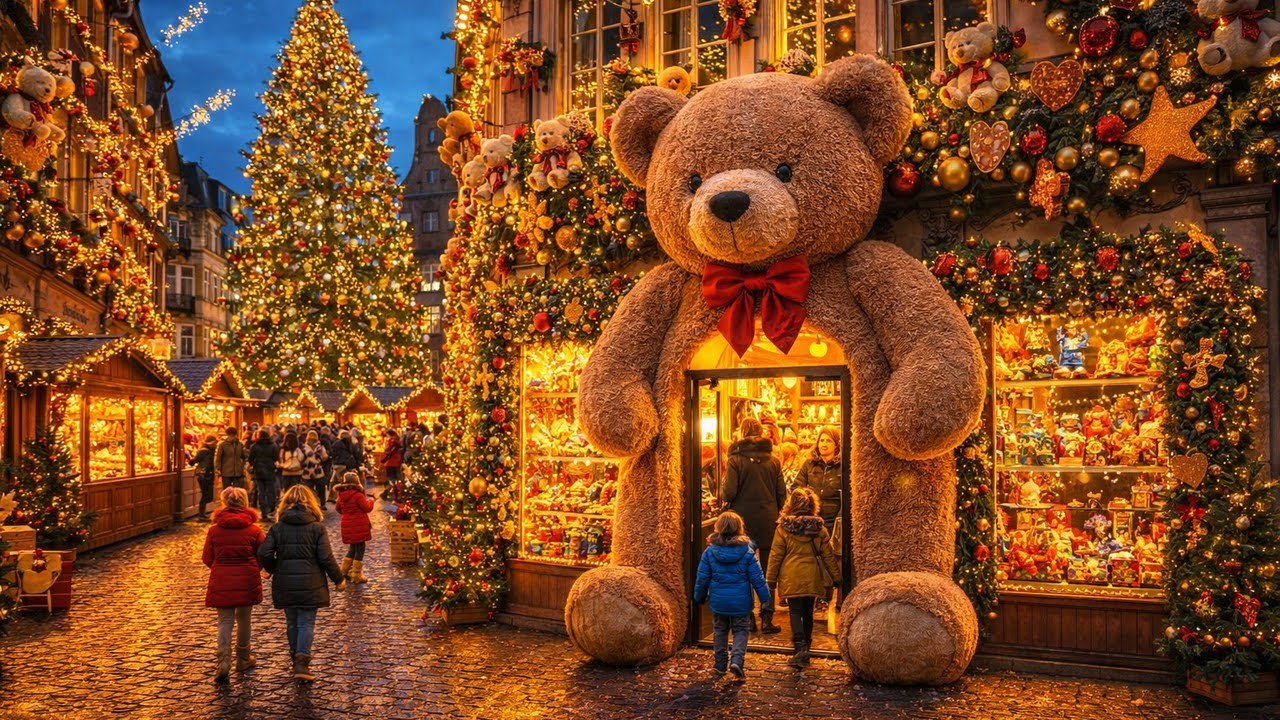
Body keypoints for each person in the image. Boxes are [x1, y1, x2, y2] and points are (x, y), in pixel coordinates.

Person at [257, 485, 345, 682]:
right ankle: (302, 662)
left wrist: (271, 568)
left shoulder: (278, 528)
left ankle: (295, 656)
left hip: (285, 581)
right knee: (306, 622)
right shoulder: (317, 528)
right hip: (311, 582)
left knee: (292, 621)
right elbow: (326, 557)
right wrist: (338, 579)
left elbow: (264, 552)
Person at [719, 417, 786, 634]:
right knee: (767, 571)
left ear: (742, 433)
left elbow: (728, 492)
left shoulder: (735, 460)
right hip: (767, 519)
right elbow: (781, 494)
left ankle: (748, 619)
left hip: (743, 521)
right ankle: (767, 617)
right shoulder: (774, 460)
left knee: (743, 570)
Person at [692, 511, 771, 680]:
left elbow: (702, 577)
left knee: (719, 631)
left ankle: (720, 665)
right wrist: (765, 598)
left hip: (719, 602)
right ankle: (736, 660)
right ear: (739, 528)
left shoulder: (709, 552)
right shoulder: (747, 552)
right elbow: (757, 577)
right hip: (741, 602)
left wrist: (698, 596)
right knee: (741, 631)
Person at [767, 487, 839, 668]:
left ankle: (798, 646)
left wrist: (771, 579)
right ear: (813, 505)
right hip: (812, 574)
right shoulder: (819, 529)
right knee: (808, 612)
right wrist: (837, 577)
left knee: (795, 611)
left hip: (790, 574)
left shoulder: (783, 529)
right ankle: (807, 645)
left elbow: (776, 555)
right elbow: (828, 555)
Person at [202, 487, 265, 682]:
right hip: (247, 578)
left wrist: (219, 567)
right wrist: (255, 567)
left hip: (221, 578)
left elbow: (207, 558)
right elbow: (262, 555)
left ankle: (223, 661)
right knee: (244, 620)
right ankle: (243, 659)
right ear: (245, 503)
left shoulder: (214, 531)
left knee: (224, 621)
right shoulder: (254, 530)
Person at [795, 426, 842, 534]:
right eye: (821, 440)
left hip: (834, 520)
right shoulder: (809, 464)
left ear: (836, 444)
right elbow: (797, 487)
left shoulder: (842, 466)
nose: (824, 444)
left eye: (829, 441)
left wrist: (840, 517)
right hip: (812, 518)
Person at [334, 471, 374, 583]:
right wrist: (371, 501)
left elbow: (338, 509)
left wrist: (346, 513)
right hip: (359, 525)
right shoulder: (358, 495)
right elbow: (367, 508)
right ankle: (356, 575)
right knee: (360, 548)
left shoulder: (341, 496)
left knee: (352, 547)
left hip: (347, 525)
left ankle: (344, 571)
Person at [247, 430, 279, 520]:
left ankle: (263, 512)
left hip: (259, 471)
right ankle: (271, 510)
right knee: (271, 491)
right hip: (270, 470)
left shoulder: (254, 446)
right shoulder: (273, 445)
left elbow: (250, 459)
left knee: (261, 492)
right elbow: (276, 458)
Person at [190, 434, 218, 519]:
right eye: (214, 442)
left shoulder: (212, 450)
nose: (215, 444)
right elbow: (194, 461)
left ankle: (202, 513)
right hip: (203, 474)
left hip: (208, 474)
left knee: (208, 495)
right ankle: (201, 514)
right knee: (206, 494)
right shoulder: (204, 451)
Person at [300, 431, 329, 508]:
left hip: (310, 470)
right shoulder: (319, 447)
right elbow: (325, 457)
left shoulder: (304, 447)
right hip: (315, 470)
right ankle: (319, 504)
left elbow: (301, 458)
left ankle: (313, 504)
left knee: (310, 489)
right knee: (319, 489)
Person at [380, 429, 404, 502]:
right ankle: (397, 495)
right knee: (398, 480)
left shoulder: (392, 441)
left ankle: (388, 493)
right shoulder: (398, 441)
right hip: (396, 463)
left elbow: (388, 451)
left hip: (391, 463)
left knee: (392, 480)